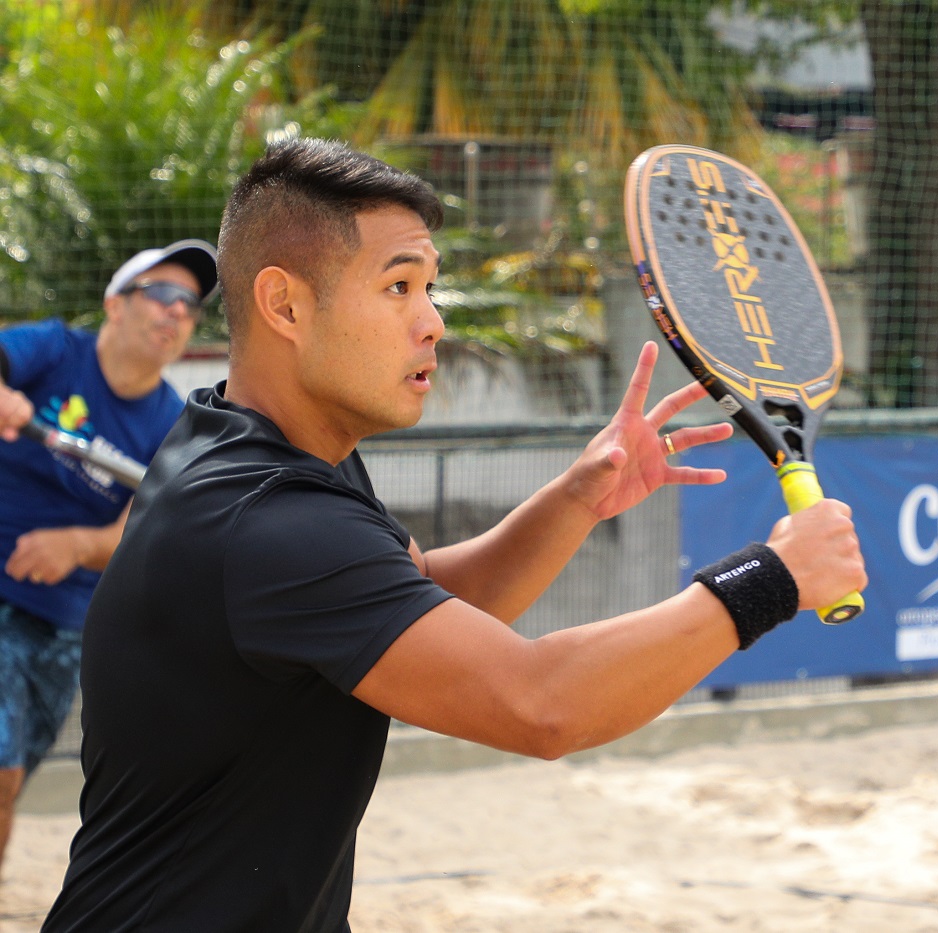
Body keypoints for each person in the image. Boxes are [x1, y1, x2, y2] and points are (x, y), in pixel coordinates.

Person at [41, 138, 864, 931]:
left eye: (430, 287)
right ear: (285, 304)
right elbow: (543, 704)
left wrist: (575, 499)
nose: (432, 321)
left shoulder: (238, 442)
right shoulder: (269, 521)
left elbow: (420, 600)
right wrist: (772, 577)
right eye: (399, 286)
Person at [0, 239, 217, 878]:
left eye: (190, 305)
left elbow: (146, 526)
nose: (177, 311)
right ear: (115, 305)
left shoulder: (172, 424)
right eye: (162, 293)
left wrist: (78, 545)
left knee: (11, 778)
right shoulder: (55, 350)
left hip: (66, 623)